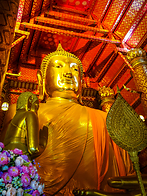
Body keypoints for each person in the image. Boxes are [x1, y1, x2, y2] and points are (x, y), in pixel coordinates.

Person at [35, 44, 133, 196]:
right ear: (41, 78)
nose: (68, 73)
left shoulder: (104, 118)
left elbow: (126, 172)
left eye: (75, 69)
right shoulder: (26, 113)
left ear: (81, 81)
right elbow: (11, 163)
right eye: (59, 66)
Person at [3, 92, 44, 159]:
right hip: (20, 156)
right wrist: (43, 143)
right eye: (36, 106)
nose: (36, 110)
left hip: (5, 155)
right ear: (30, 101)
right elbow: (33, 149)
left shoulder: (14, 118)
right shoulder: (30, 114)